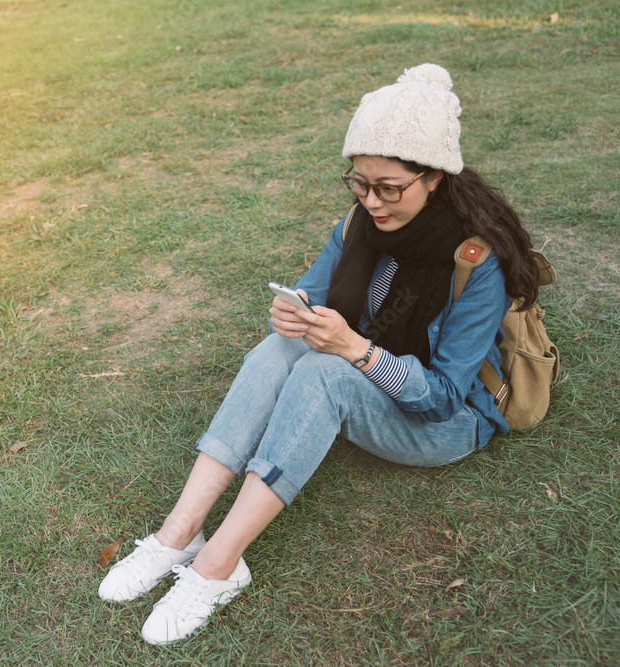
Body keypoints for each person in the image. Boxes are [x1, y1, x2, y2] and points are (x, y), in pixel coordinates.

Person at [97, 63, 542, 645]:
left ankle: (220, 565)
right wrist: (295, 308)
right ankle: (180, 532)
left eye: (389, 188)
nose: (372, 202)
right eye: (359, 182)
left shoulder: (476, 261)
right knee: (283, 346)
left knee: (324, 374)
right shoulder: (360, 222)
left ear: (433, 177)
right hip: (376, 374)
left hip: (447, 420)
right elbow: (313, 288)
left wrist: (357, 351)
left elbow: (443, 398)